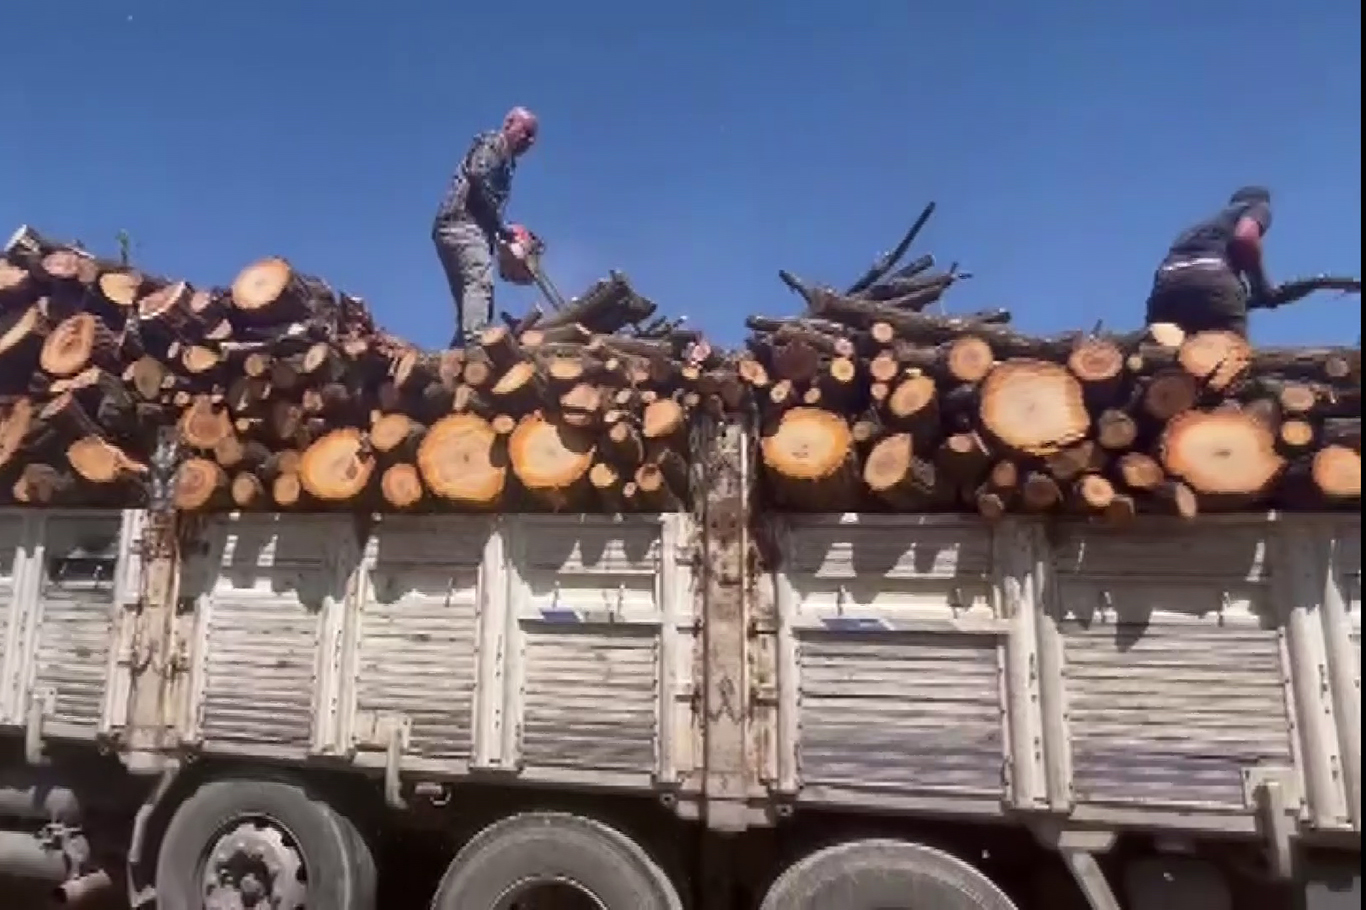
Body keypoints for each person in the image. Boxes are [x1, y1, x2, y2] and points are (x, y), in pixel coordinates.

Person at [432, 107, 539, 347]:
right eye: (526, 132)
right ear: (509, 123)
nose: (529, 141)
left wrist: (503, 232)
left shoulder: (507, 162)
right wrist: (501, 227)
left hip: (461, 228)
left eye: (532, 137)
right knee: (480, 281)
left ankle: (455, 361)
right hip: (461, 224)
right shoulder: (493, 144)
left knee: (473, 302)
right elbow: (478, 175)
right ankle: (476, 346)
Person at [1145, 186, 1275, 336]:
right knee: (1229, 352)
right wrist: (1261, 287)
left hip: (1166, 286)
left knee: (1161, 348)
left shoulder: (1196, 229)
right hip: (1213, 280)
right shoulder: (1257, 207)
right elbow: (1245, 239)